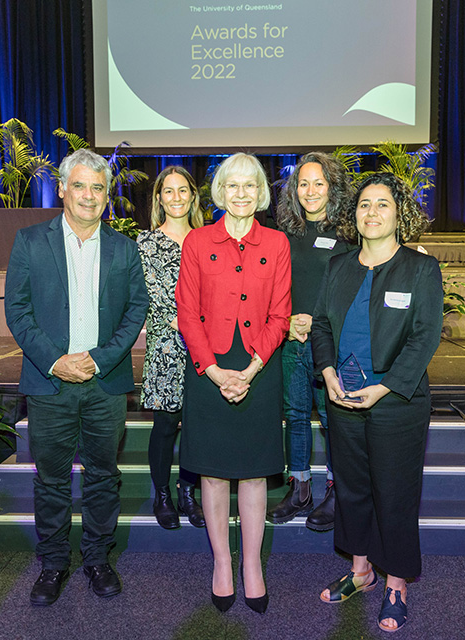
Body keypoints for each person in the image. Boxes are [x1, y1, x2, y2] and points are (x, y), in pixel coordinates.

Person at [4, 149, 148, 606]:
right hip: (50, 385)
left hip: (104, 385)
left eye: (98, 188)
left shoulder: (125, 248)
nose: (89, 196)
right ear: (62, 188)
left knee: (104, 476)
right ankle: (51, 565)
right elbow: (18, 311)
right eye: (80, 185)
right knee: (50, 480)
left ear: (108, 195)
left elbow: (135, 310)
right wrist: (55, 361)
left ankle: (97, 559)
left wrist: (100, 360)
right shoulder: (29, 242)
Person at [311, 173, 442, 633]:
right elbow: (322, 327)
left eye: (382, 204)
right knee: (351, 489)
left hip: (397, 403)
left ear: (399, 214)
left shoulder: (420, 269)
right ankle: (361, 571)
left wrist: (384, 388)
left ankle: (396, 582)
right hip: (341, 398)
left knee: (395, 493)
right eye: (365, 205)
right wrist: (327, 374)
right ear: (355, 215)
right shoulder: (338, 266)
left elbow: (425, 337)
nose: (372, 212)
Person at [175, 153, 291, 614]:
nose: (241, 193)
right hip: (209, 366)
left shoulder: (277, 243)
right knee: (214, 471)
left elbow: (280, 313)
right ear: (220, 192)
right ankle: (222, 563)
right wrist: (215, 370)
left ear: (260, 192)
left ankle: (252, 566)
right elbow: (186, 312)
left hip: (259, 366)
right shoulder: (198, 242)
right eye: (232, 185)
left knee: (255, 472)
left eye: (250, 185)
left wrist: (252, 368)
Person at [267, 151, 352, 532]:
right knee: (296, 415)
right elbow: (273, 288)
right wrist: (286, 322)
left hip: (331, 342)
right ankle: (300, 488)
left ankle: (337, 491)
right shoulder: (286, 234)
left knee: (333, 417)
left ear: (332, 187)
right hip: (291, 340)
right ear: (293, 189)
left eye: (319, 183)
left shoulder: (349, 235)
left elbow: (352, 292)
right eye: (303, 183)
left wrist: (319, 323)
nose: (310, 190)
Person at [136, 166, 205, 529]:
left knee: (196, 425)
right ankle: (161, 495)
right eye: (169, 191)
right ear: (159, 199)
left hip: (206, 345)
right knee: (164, 425)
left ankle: (187, 492)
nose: (176, 198)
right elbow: (148, 297)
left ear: (193, 196)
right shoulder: (145, 243)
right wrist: (178, 321)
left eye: (183, 191)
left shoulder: (208, 239)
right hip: (166, 342)